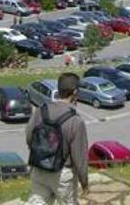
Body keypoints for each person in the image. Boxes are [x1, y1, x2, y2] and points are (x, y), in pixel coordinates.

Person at [25, 73, 89, 205]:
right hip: (62, 173)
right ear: (75, 92)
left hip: (39, 168)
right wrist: (84, 183)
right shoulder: (75, 120)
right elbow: (80, 157)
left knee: (36, 201)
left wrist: (41, 154)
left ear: (58, 89)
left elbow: (29, 136)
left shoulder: (40, 110)